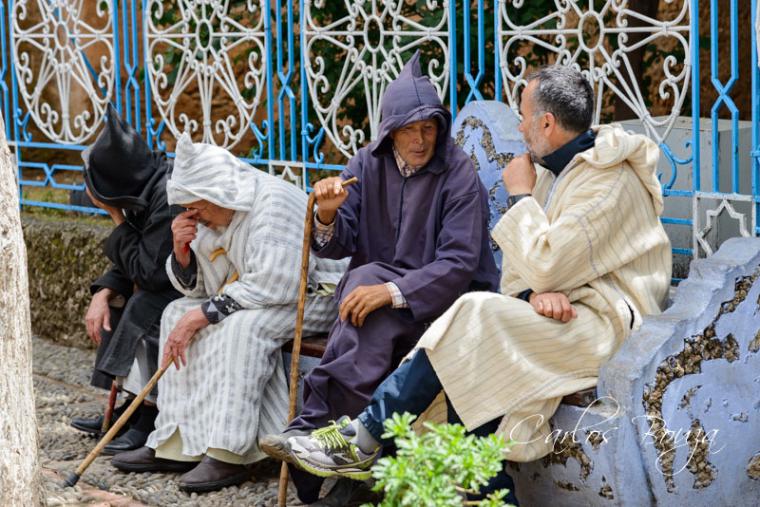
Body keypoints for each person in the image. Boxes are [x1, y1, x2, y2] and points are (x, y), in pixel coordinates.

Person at [266, 65, 672, 502]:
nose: (519, 127)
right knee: (455, 350)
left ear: (547, 123)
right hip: (556, 313)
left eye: (524, 116)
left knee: (471, 320)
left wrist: (520, 202)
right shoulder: (558, 171)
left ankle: (361, 438)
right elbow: (528, 269)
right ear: (389, 132)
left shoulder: (607, 179)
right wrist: (535, 291)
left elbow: (519, 261)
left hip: (603, 323)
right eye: (409, 131)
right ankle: (465, 489)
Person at [260, 50, 500, 504]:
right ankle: (332, 458)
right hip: (373, 303)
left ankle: (312, 435)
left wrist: (392, 292)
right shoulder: (366, 164)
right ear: (390, 131)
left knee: (369, 311)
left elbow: (460, 262)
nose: (420, 139)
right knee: (364, 307)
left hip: (446, 303)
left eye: (429, 127)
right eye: (409, 129)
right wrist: (327, 215)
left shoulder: (458, 173)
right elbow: (336, 243)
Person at [110, 134, 347, 493]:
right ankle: (176, 441)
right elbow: (201, 290)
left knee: (242, 328)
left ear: (219, 193)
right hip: (264, 297)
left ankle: (228, 452)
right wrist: (182, 251)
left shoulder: (273, 203)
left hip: (314, 297)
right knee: (176, 313)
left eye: (198, 207)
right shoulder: (213, 217)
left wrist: (203, 315)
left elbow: (277, 285)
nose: (196, 216)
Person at [70, 105, 180, 455]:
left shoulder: (165, 196)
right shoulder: (143, 185)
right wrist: (103, 291)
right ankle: (129, 410)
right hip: (164, 276)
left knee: (142, 306)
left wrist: (115, 215)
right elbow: (137, 249)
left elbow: (149, 272)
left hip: (192, 280)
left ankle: (147, 416)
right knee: (116, 302)